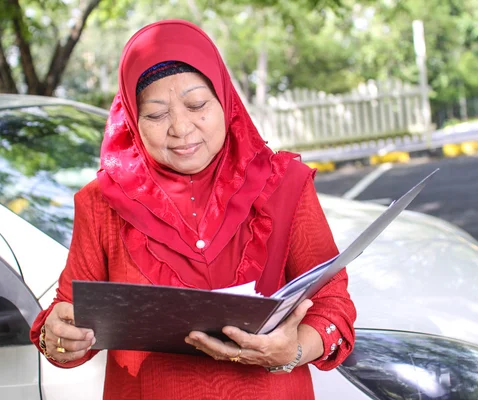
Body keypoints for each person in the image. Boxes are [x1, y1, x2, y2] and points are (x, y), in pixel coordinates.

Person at [29, 19, 356, 400]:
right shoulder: (101, 204)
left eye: (197, 104)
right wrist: (61, 337)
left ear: (225, 101)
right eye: (155, 114)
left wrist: (293, 350)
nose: (181, 128)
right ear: (133, 122)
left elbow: (335, 305)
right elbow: (67, 320)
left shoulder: (285, 185)